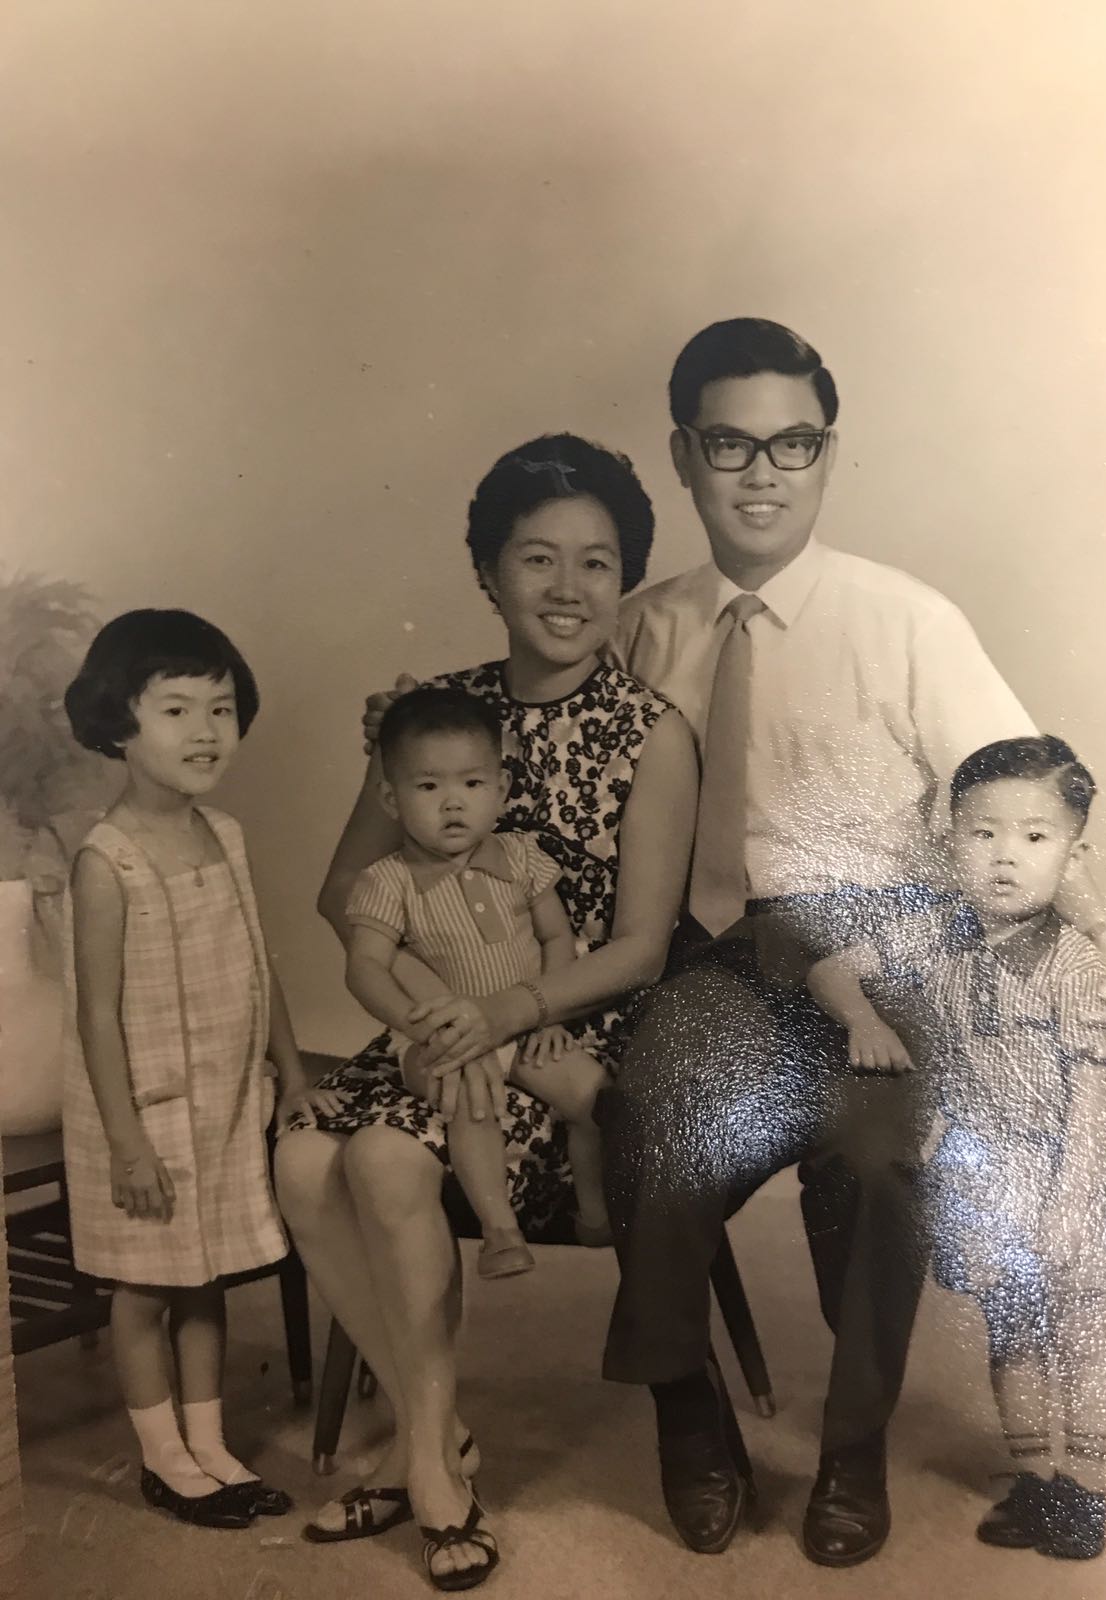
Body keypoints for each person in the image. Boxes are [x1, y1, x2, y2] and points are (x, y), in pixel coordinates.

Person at [597, 317, 1106, 1564]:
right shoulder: (646, 625)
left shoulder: (907, 620)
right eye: (730, 441)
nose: (763, 470)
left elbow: (1031, 797)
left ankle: (852, 1455)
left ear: (826, 454)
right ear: (683, 454)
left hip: (885, 964)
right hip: (720, 962)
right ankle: (692, 1420)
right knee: (651, 1119)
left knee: (888, 1164)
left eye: (794, 442)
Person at [275, 433, 695, 1589]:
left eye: (598, 563)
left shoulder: (649, 731)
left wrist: (500, 1011)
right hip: (435, 1018)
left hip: (566, 1029)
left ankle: (429, 1471)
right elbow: (340, 894)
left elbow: (642, 947)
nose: (568, 589)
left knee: (385, 1162)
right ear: (487, 573)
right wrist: (426, 1008)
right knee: (302, 1158)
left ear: (627, 577)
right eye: (537, 559)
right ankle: (435, 1433)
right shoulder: (432, 722)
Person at [806, 736, 1106, 1561]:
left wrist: (1069, 1198)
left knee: (1084, 1334)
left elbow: (1092, 1109)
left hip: (1067, 1168)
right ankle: (1034, 1485)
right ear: (951, 838)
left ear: (1073, 851)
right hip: (990, 1174)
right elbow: (831, 970)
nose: (1005, 858)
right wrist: (865, 1019)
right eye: (981, 833)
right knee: (1013, 1333)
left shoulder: (1075, 966)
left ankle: (1084, 1495)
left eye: (1035, 838)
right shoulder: (941, 934)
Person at [61, 609, 334, 1529]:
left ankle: (210, 1444)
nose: (206, 732)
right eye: (177, 711)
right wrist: (127, 1143)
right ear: (117, 724)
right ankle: (163, 1456)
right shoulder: (107, 861)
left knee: (205, 1278)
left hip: (222, 1100)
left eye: (220, 709)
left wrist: (291, 1073)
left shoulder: (226, 834)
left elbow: (261, 968)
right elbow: (94, 1014)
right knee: (145, 1288)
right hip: (140, 1117)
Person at [342, 684, 609, 1280]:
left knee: (592, 1093)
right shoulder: (389, 882)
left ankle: (594, 1209)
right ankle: (499, 1229)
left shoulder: (520, 859)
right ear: (390, 799)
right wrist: (428, 1028)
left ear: (501, 790)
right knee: (471, 1098)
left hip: (521, 1021)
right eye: (428, 787)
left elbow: (556, 940)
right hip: (438, 1039)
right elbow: (364, 966)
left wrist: (550, 1014)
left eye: (471, 784)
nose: (453, 804)